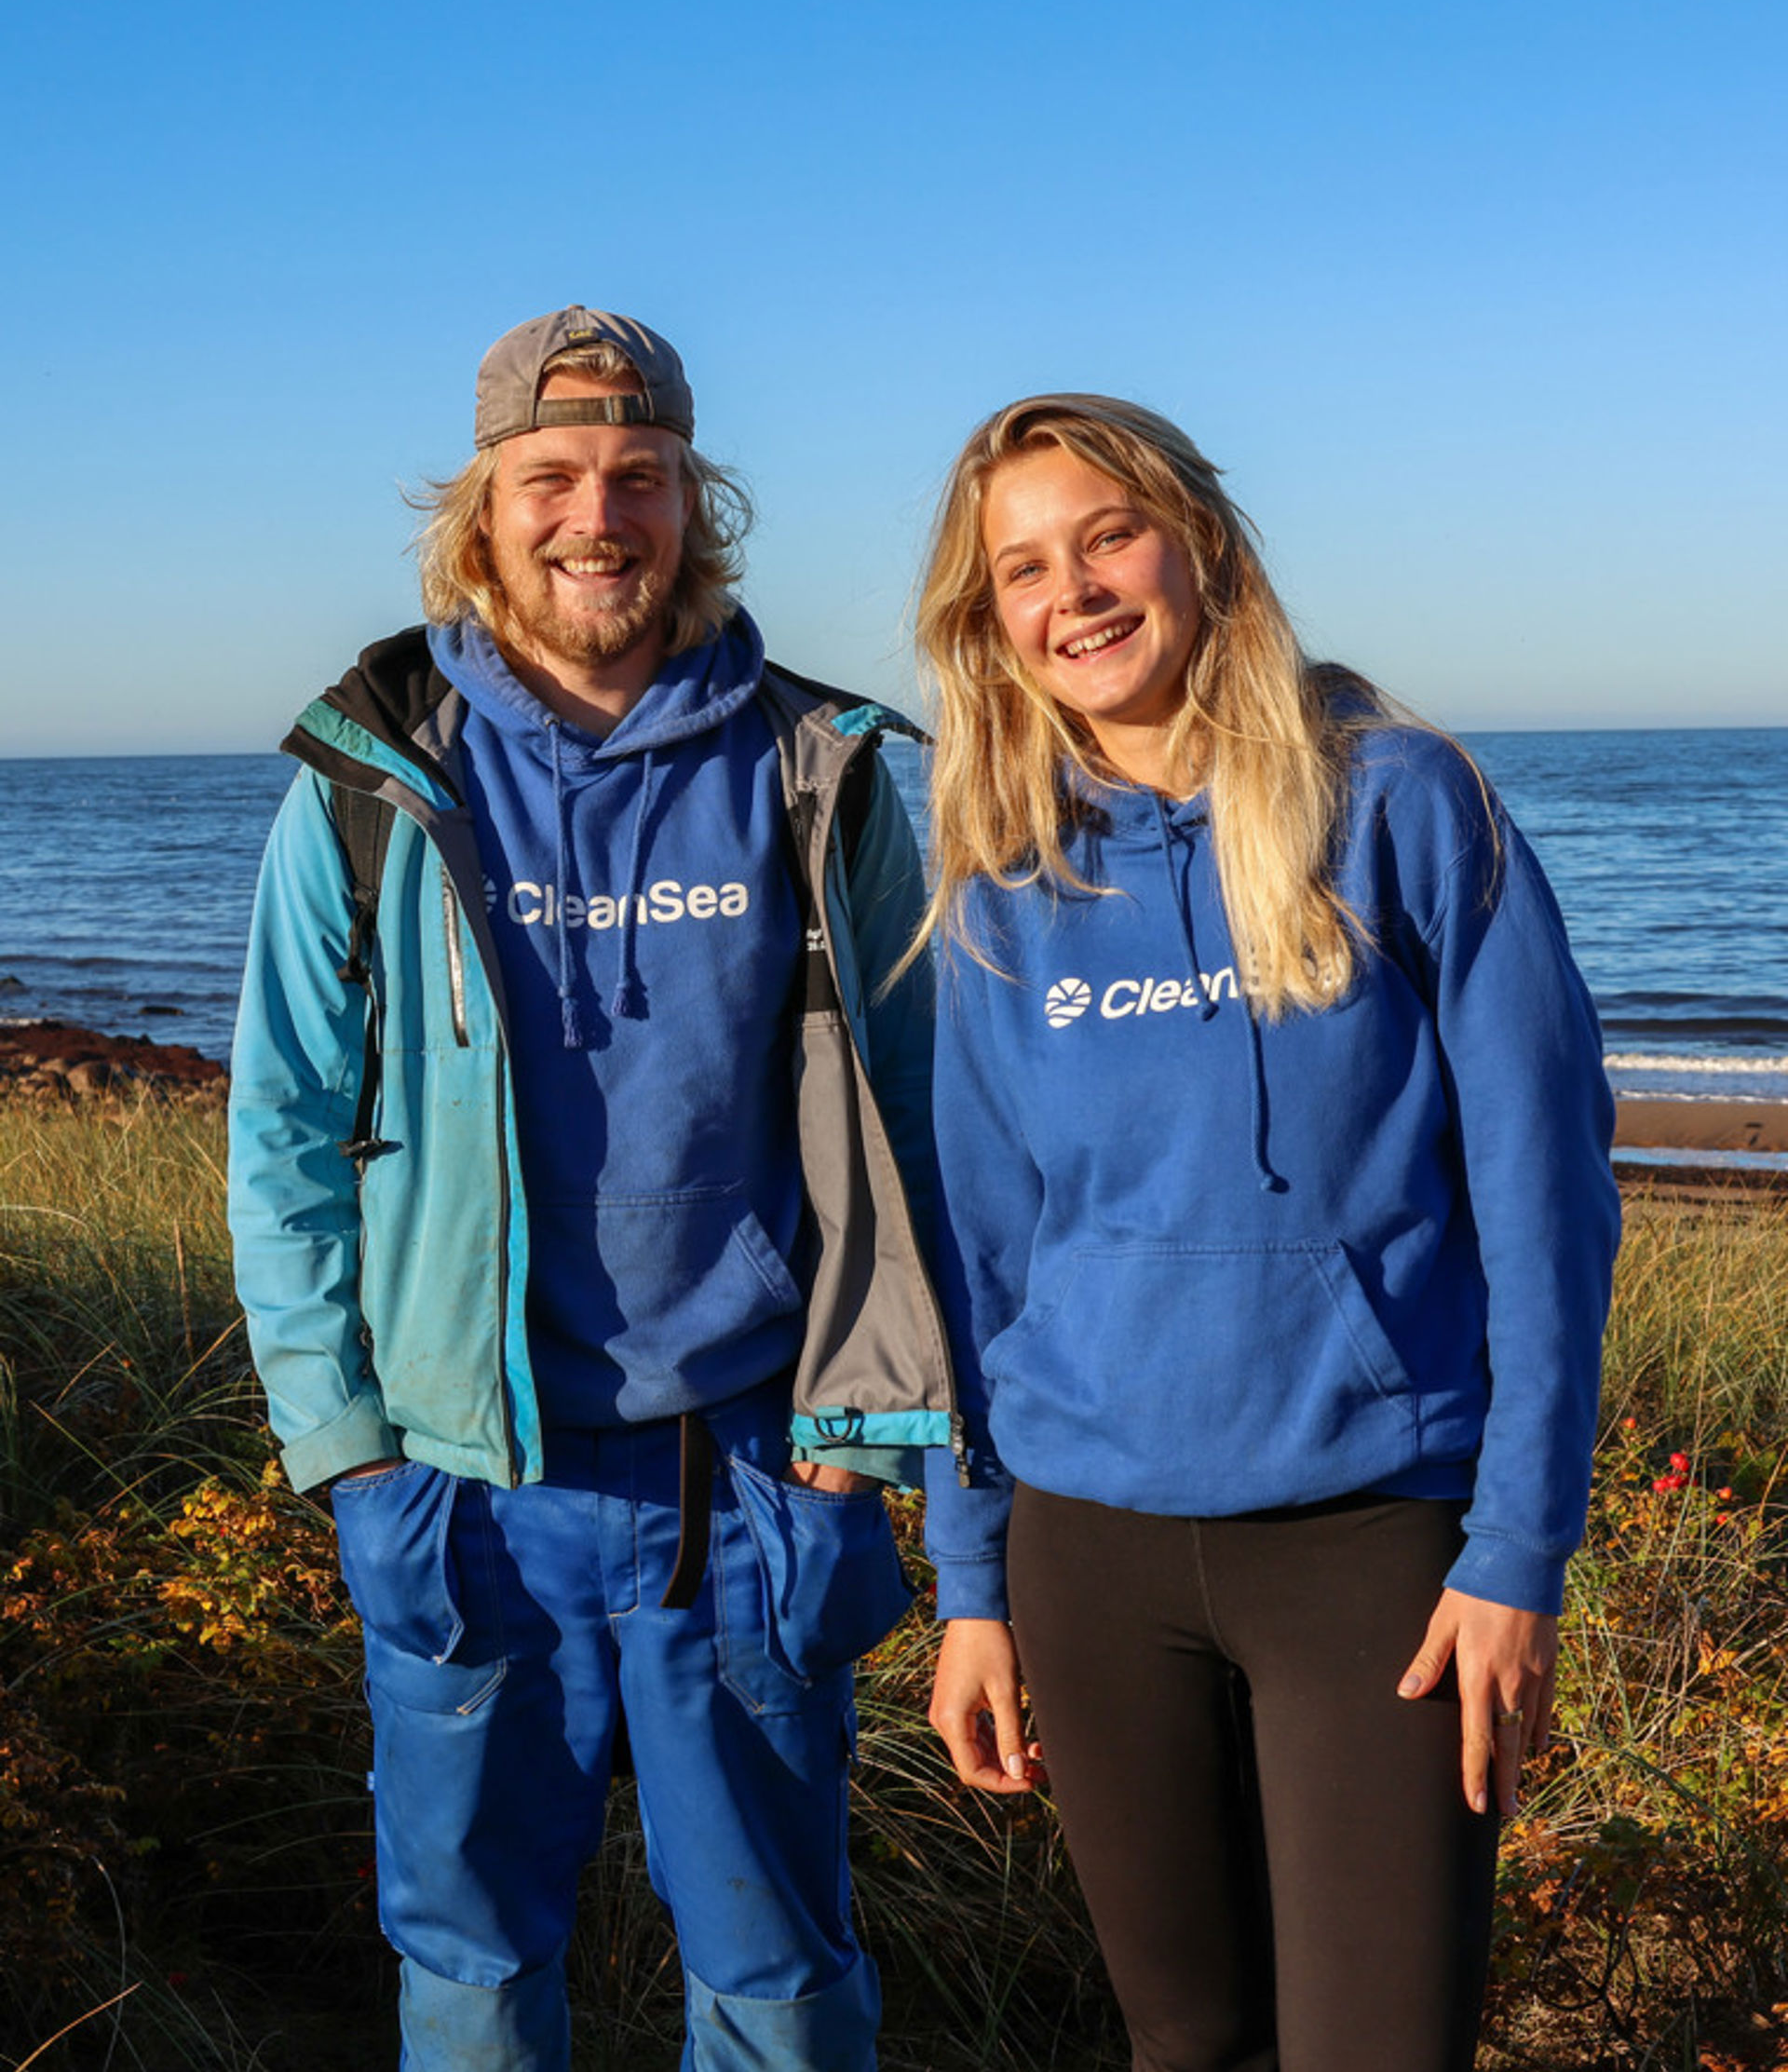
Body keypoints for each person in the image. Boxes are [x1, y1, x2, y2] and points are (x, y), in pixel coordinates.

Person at [228, 306, 959, 2072]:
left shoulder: (813, 766)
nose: (596, 515)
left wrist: (861, 1437)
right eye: (548, 475)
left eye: (639, 476)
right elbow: (282, 1137)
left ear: (693, 503)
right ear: (479, 512)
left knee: (782, 1983)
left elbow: (911, 1121)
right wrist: (352, 1451)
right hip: (468, 1485)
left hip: (750, 1476)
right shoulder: (370, 776)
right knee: (473, 1974)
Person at [914, 392, 1619, 2072]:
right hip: (1087, 1553)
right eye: (1023, 568)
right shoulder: (1002, 874)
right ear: (987, 620)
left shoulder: (1397, 797)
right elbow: (975, 1256)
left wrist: (1517, 1550)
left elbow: (1549, 1195)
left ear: (1199, 541)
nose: (1073, 591)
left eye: (1107, 536)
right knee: (1190, 2045)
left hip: (1367, 1546)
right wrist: (969, 1579)